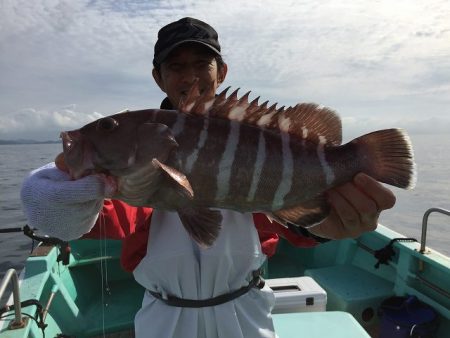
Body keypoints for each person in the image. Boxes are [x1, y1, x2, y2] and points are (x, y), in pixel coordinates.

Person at [21, 17, 396, 338]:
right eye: (175, 66)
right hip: (162, 318)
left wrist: (326, 224)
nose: (189, 76)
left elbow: (293, 224)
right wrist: (55, 200)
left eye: (202, 63)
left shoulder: (243, 134)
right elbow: (105, 215)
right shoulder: (131, 170)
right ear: (158, 76)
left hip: (246, 314)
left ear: (222, 72)